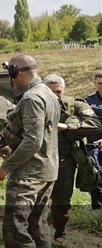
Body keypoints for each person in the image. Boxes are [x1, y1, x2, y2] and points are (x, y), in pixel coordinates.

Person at [0, 54, 59, 248]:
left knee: (14, 227)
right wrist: (14, 147)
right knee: (37, 223)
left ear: (18, 72)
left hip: (29, 175)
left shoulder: (32, 97)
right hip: (45, 171)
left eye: (10, 73)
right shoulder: (48, 93)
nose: (11, 79)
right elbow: (40, 136)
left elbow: (34, 140)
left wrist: (6, 166)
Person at [43, 74, 100, 238]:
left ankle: (59, 232)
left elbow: (94, 124)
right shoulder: (34, 104)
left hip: (65, 161)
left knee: (62, 201)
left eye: (58, 91)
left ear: (64, 90)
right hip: (38, 160)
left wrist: (68, 126)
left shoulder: (75, 105)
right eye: (50, 91)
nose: (54, 95)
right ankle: (37, 232)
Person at [85, 71, 102, 210]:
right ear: (95, 84)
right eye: (100, 83)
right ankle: (96, 211)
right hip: (92, 146)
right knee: (94, 177)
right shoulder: (88, 100)